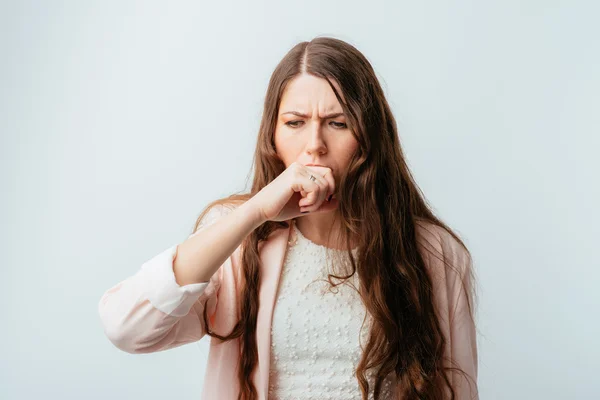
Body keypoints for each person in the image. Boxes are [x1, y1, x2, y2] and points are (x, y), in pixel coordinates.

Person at [98, 36, 478, 400]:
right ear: (273, 137)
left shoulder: (434, 253)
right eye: (295, 123)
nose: (315, 144)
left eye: (338, 122)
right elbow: (127, 328)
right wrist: (255, 211)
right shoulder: (237, 236)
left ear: (370, 136)